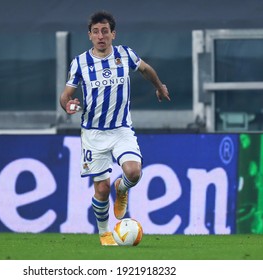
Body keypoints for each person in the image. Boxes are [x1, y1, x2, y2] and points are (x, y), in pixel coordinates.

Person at [59, 11, 170, 246]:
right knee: (101, 189)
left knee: (133, 172)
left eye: (105, 31)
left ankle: (123, 188)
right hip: (94, 133)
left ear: (113, 34)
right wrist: (69, 105)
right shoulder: (79, 63)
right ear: (89, 35)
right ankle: (104, 233)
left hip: (121, 129)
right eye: (96, 31)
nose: (101, 36)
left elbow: (146, 69)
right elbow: (66, 95)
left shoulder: (124, 54)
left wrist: (159, 87)